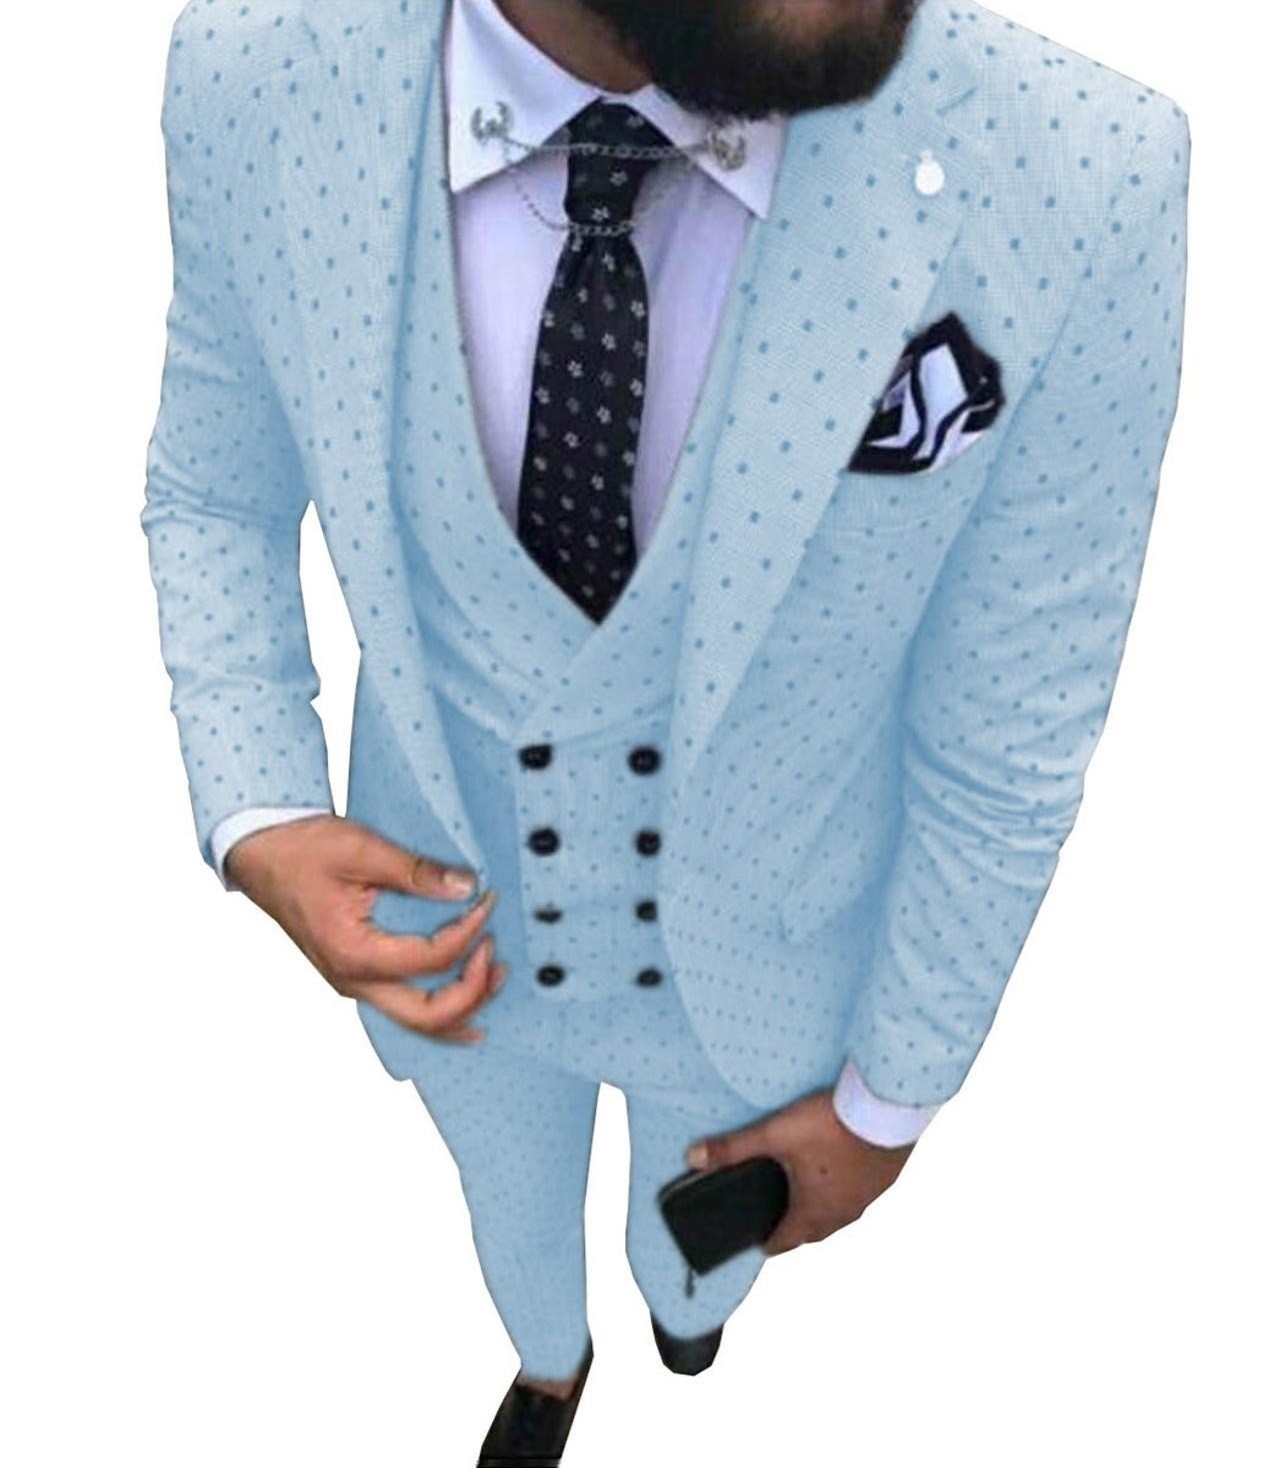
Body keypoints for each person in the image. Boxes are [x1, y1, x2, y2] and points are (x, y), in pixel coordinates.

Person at [141, 0, 1190, 1460]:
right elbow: (213, 491)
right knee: (505, 1207)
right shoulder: (253, 72)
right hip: (449, 932)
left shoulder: (1083, 170)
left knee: (694, 1239)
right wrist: (259, 804)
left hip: (762, 966)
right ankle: (548, 1359)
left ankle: (681, 1311)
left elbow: (1008, 728)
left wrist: (890, 1096)